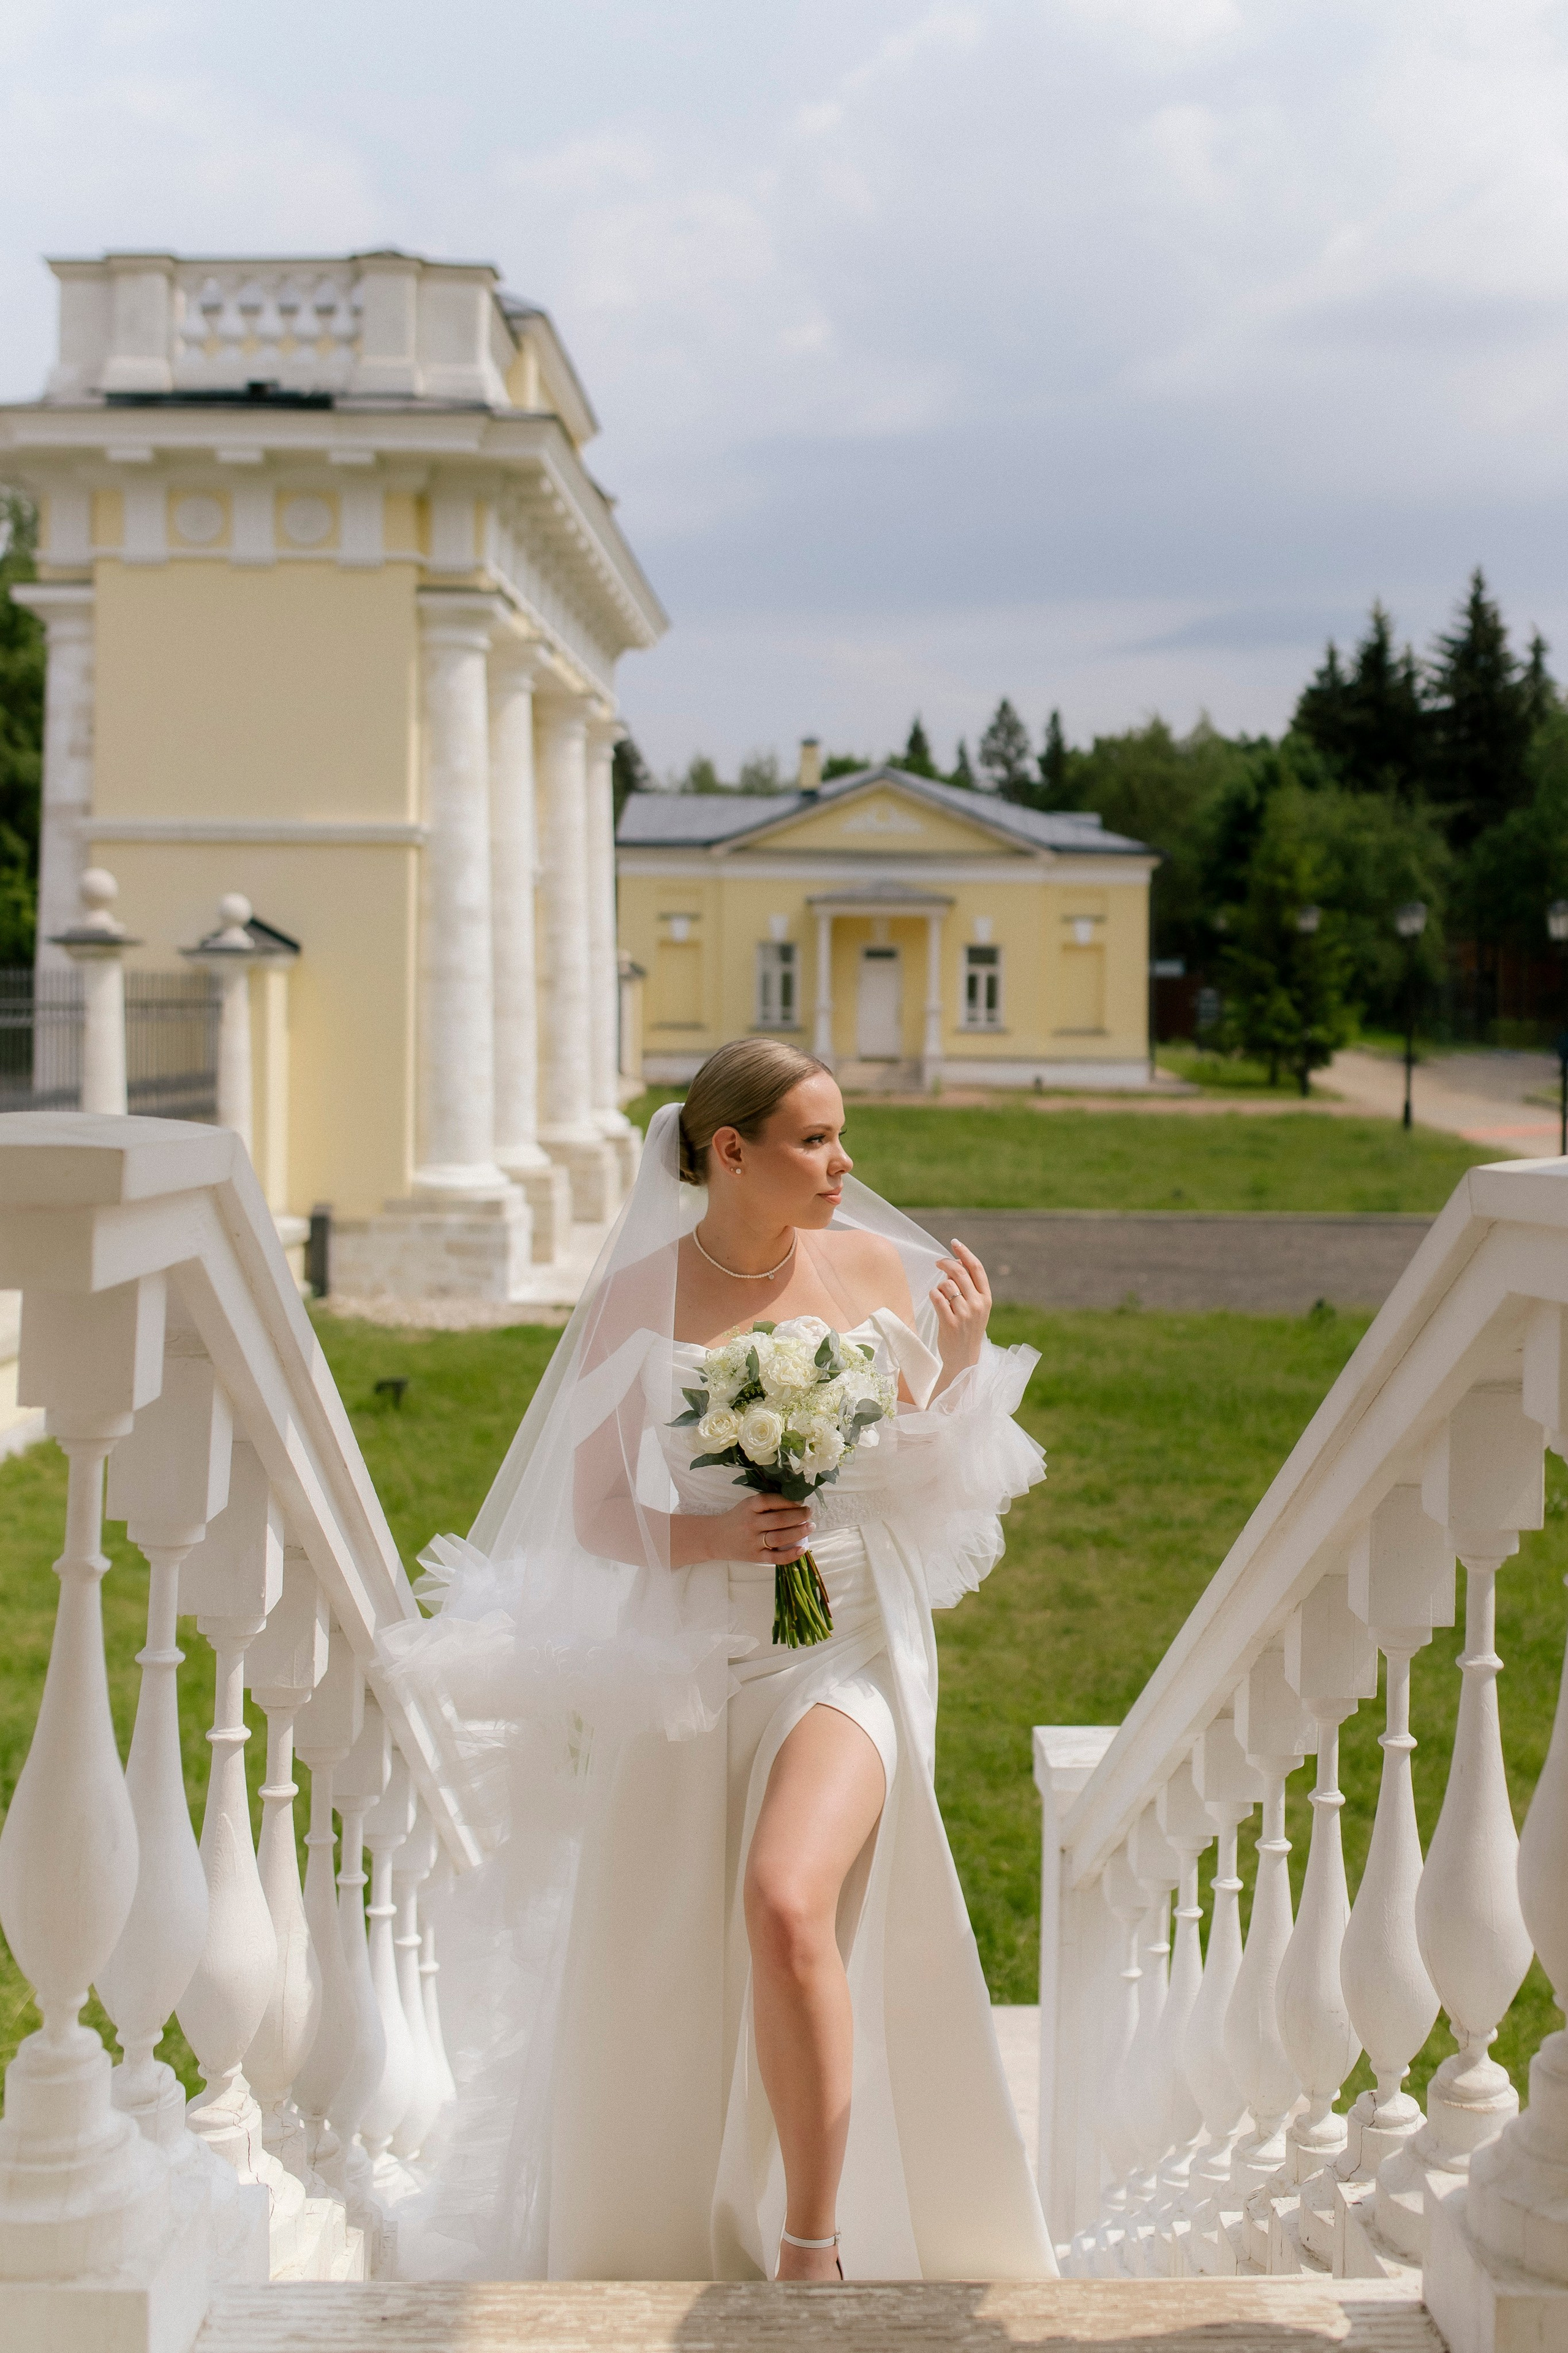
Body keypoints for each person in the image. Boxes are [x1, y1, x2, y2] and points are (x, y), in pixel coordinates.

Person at [383, 1038, 1056, 2284]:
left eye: (841, 1134)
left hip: (845, 1640)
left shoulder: (866, 1269)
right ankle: (670, 2204)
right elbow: (592, 1507)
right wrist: (709, 1534)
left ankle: (813, 2241)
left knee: (783, 1897)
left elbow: (919, 1474)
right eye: (814, 1139)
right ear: (729, 1152)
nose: (843, 1162)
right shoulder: (639, 1297)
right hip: (698, 1652)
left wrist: (956, 1365)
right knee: (668, 1949)